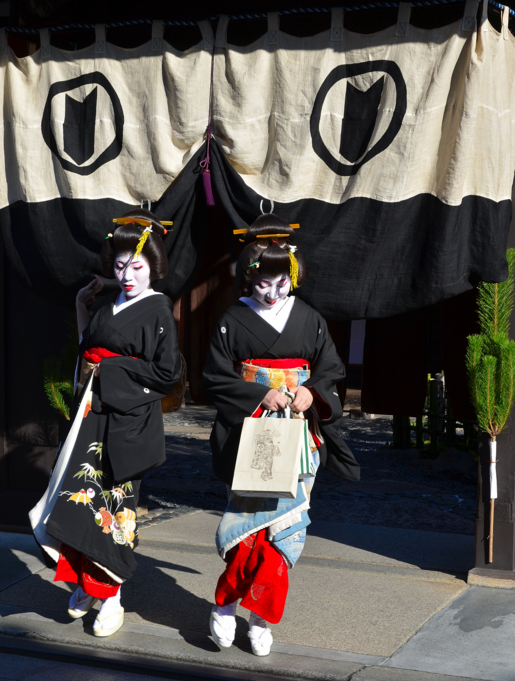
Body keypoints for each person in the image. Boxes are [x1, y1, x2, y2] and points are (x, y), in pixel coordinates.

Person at [203, 213, 360, 656]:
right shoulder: (232, 320)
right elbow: (214, 377)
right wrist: (259, 393)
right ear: (247, 278)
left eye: (280, 282)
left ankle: (263, 616)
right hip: (251, 429)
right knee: (248, 527)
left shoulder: (309, 318)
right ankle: (226, 604)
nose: (272, 294)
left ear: (293, 274)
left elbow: (331, 369)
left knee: (285, 527)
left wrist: (312, 393)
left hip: (297, 431)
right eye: (261, 284)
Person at [30, 210, 181, 637]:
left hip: (126, 420)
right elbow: (89, 349)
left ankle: (111, 595)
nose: (127, 275)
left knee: (114, 510)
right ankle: (85, 583)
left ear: (154, 266)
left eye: (136, 266)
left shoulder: (158, 311)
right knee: (78, 502)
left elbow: (167, 374)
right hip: (92, 415)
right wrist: (82, 307)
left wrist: (109, 374)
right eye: (119, 266)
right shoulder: (108, 304)